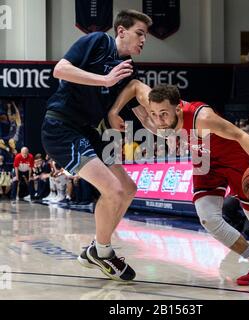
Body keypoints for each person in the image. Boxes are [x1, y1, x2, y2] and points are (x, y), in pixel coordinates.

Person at [108, 80, 249, 286]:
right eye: (154, 113)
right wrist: (114, 111)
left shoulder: (203, 118)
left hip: (234, 160)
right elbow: (135, 85)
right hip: (205, 162)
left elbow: (240, 135)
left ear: (178, 108)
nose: (159, 118)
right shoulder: (156, 106)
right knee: (208, 219)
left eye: (164, 113)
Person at [41, 10, 152, 281]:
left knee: (127, 188)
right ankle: (103, 252)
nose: (143, 41)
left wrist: (166, 129)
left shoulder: (127, 67)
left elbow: (136, 107)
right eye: (139, 33)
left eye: (146, 36)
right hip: (61, 127)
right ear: (121, 31)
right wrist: (105, 79)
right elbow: (60, 70)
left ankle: (96, 248)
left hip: (88, 130)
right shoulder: (97, 41)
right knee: (112, 190)